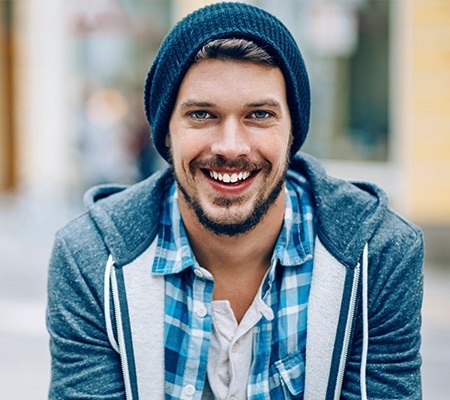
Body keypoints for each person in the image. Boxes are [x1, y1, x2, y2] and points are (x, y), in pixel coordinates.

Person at [47, 2, 424, 399]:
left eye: (259, 115)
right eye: (202, 114)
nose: (231, 146)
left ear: (293, 132)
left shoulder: (377, 254)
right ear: (166, 132)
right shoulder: (91, 259)